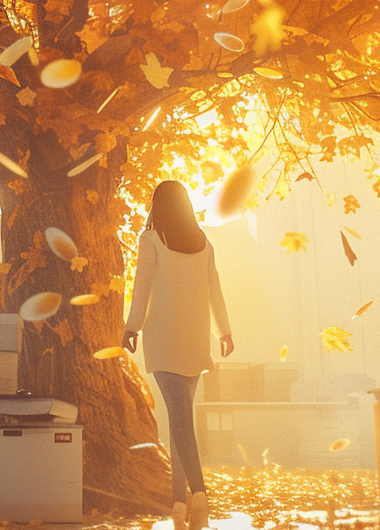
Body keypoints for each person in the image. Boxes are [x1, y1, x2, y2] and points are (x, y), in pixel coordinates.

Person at [123, 180, 233, 530]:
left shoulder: (151, 240)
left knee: (180, 417)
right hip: (195, 338)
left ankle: (198, 493)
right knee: (181, 418)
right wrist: (225, 331)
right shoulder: (204, 243)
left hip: (165, 337)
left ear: (158, 206)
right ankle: (177, 505)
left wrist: (131, 327)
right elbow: (215, 289)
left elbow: (141, 287)